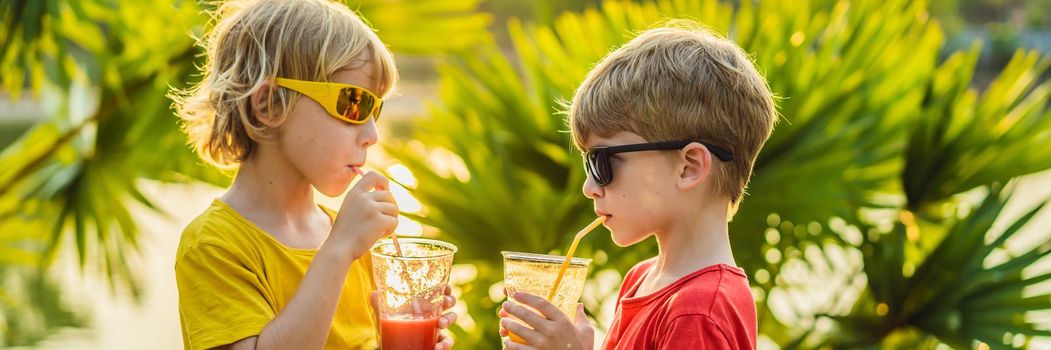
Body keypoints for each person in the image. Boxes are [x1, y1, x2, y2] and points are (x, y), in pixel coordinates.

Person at [170, 1, 456, 349]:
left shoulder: (356, 244)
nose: (371, 134)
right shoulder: (215, 246)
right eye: (354, 103)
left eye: (375, 110)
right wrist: (338, 250)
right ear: (269, 104)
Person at [499, 22, 778, 350]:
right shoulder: (641, 280)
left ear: (689, 167)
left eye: (603, 161)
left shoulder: (698, 312)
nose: (590, 186)